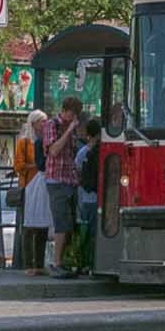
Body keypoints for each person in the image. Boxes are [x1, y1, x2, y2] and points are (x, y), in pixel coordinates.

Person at [42, 96, 83, 278]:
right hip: (56, 180)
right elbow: (53, 150)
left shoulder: (72, 129)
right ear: (65, 111)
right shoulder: (53, 125)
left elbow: (73, 153)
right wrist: (68, 131)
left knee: (69, 223)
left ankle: (65, 259)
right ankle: (56, 261)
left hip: (70, 180)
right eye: (71, 115)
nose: (72, 118)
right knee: (60, 222)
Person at [14, 109, 48, 275]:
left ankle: (40, 264)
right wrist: (37, 166)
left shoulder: (45, 140)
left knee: (42, 224)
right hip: (28, 184)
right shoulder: (24, 142)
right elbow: (18, 166)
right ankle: (28, 264)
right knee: (28, 226)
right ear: (33, 123)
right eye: (42, 121)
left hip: (42, 185)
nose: (44, 124)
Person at [73, 118, 103, 272]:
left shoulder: (82, 152)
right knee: (95, 231)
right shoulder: (102, 151)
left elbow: (77, 173)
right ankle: (92, 261)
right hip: (98, 196)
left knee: (87, 230)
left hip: (86, 196)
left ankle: (85, 262)